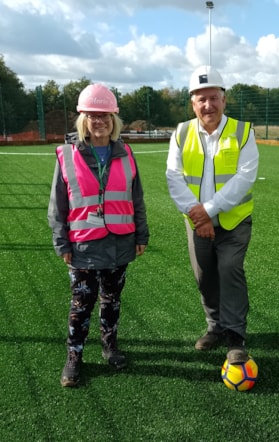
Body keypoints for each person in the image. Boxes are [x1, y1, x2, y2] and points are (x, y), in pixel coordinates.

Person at [48, 84, 149, 387]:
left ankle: (109, 346)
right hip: (83, 246)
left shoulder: (126, 153)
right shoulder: (67, 154)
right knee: (82, 303)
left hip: (120, 242)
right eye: (92, 116)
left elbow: (137, 198)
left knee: (112, 300)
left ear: (114, 119)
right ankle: (74, 357)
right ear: (83, 119)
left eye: (105, 115)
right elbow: (57, 203)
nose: (99, 121)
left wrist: (141, 235)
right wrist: (62, 241)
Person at [166, 66, 259, 364]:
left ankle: (235, 336)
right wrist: (198, 218)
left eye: (213, 98)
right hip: (196, 224)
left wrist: (206, 211)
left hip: (233, 222)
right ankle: (214, 326)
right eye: (201, 99)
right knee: (203, 276)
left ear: (224, 99)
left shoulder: (244, 132)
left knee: (230, 269)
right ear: (192, 103)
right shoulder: (181, 133)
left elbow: (244, 178)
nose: (208, 105)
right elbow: (174, 178)